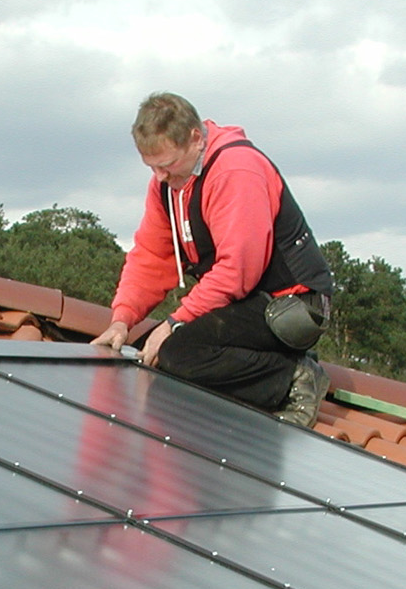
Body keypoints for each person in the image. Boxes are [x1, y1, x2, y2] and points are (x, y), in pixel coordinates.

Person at [92, 93, 336, 427]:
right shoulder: (169, 186)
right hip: (244, 305)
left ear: (196, 138)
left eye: (167, 164)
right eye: (152, 167)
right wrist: (122, 319)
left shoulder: (236, 170)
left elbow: (238, 271)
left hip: (292, 305)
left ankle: (295, 376)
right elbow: (152, 256)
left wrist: (174, 323)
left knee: (177, 354)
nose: (160, 176)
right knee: (143, 351)